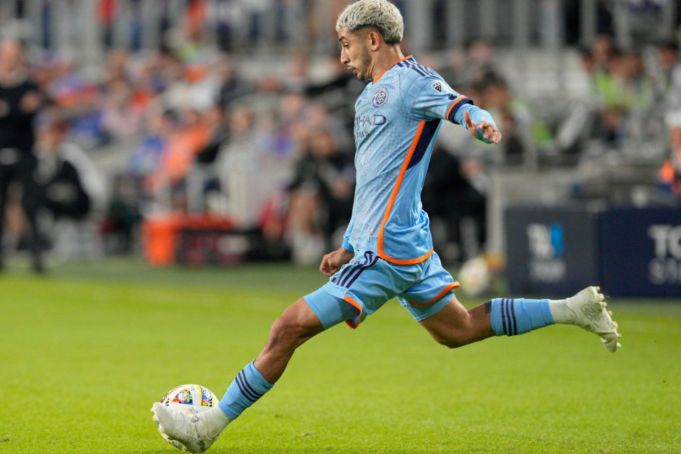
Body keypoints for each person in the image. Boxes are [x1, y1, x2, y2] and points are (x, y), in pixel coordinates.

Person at [151, 1, 621, 452]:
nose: (342, 56)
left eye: (346, 44)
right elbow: (375, 181)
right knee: (457, 329)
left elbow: (459, 105)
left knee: (287, 327)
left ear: (372, 39)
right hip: (398, 243)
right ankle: (573, 309)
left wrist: (480, 121)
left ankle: (210, 425)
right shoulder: (369, 96)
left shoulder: (413, 82)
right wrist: (349, 245)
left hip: (387, 252)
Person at [0, 40, 44, 273]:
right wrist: (16, 110)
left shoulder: (28, 84)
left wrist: (9, 110)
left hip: (24, 154)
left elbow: (27, 111)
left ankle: (36, 256)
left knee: (30, 204)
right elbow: (21, 111)